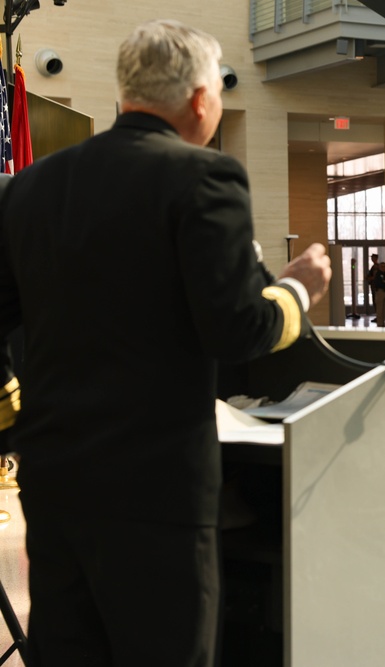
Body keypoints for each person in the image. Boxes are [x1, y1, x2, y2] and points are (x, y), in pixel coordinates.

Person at [0, 20, 332, 666]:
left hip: (54, 483)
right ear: (203, 101)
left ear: (125, 94)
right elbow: (238, 328)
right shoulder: (206, 179)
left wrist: (11, 412)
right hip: (156, 495)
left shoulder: (31, 188)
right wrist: (296, 290)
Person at [372, 260, 385, 326]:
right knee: (379, 309)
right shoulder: (378, 274)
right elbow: (379, 283)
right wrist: (384, 283)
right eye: (382, 266)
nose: (383, 268)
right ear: (379, 267)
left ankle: (383, 322)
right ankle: (380, 324)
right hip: (380, 292)